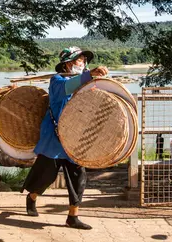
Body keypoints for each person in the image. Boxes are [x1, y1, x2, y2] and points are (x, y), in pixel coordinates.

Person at [22, 46, 108, 230]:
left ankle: (72, 216)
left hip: (74, 139)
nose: (83, 63)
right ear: (68, 64)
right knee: (46, 176)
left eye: (85, 61)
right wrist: (89, 75)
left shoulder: (86, 84)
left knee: (79, 176)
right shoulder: (57, 80)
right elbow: (67, 87)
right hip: (53, 138)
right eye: (80, 60)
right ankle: (32, 197)